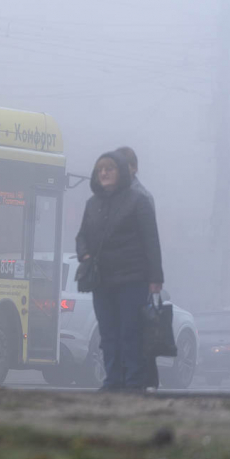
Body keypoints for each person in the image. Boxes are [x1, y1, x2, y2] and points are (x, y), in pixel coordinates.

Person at [76, 151, 163, 392]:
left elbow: (151, 240)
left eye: (109, 168)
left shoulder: (138, 201)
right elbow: (81, 236)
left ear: (121, 172)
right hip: (102, 281)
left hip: (131, 279)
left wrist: (156, 278)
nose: (103, 173)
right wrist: (84, 254)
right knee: (108, 333)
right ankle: (112, 380)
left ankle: (134, 382)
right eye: (100, 169)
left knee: (130, 332)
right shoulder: (92, 204)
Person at [116, 146, 159, 389]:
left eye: (124, 165)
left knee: (136, 330)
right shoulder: (113, 194)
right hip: (118, 275)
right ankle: (128, 381)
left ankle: (145, 383)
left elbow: (149, 239)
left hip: (134, 275)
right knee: (122, 331)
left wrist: (153, 276)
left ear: (133, 168)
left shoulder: (141, 196)